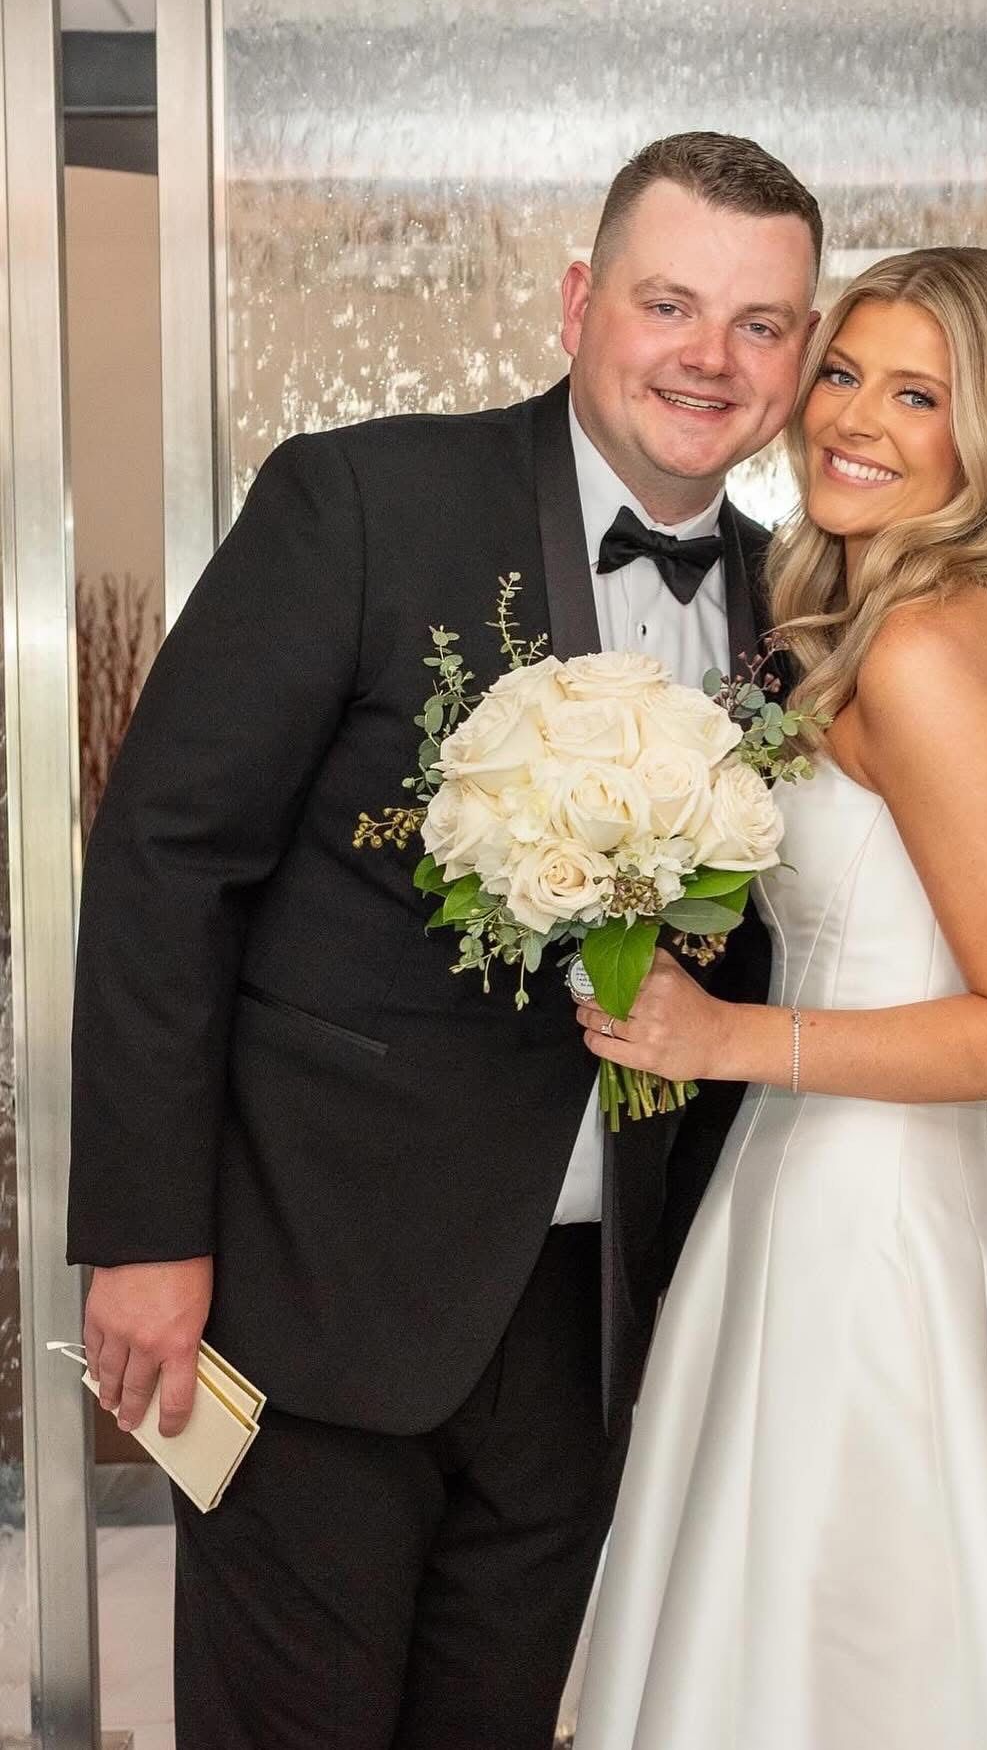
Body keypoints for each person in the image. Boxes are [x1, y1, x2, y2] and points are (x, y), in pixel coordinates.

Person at [66, 130, 820, 1750]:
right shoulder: (362, 498)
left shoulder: (795, 605)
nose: (710, 356)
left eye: (761, 323)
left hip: (591, 1327)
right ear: (577, 301)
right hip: (314, 1289)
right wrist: (143, 1233)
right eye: (670, 301)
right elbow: (164, 859)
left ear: (800, 358)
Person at [572, 248, 987, 1750]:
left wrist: (728, 1035)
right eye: (845, 371)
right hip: (813, 1200)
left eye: (917, 393)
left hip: (864, 1238)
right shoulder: (875, 623)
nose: (850, 416)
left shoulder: (922, 646)